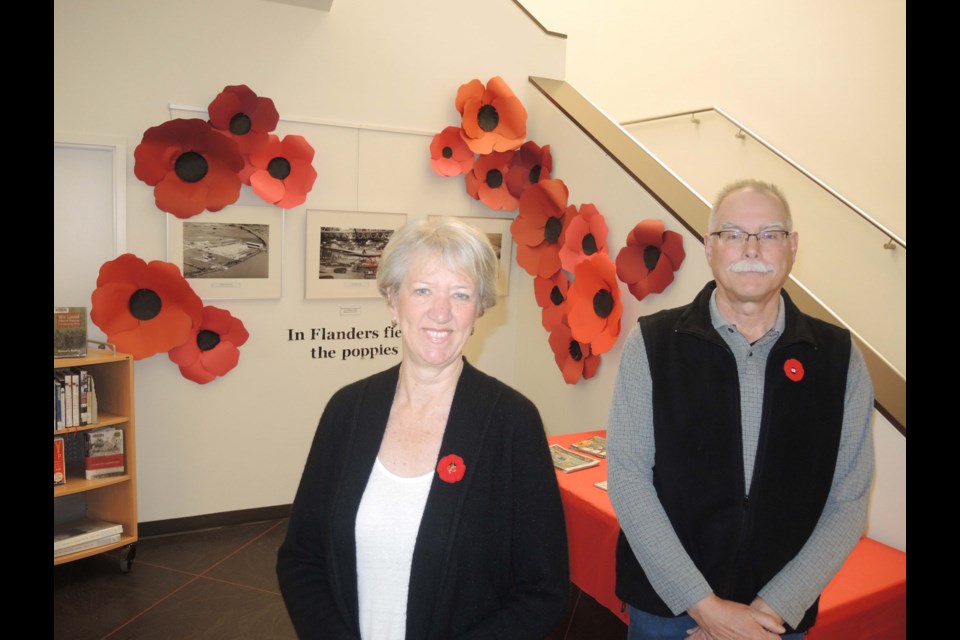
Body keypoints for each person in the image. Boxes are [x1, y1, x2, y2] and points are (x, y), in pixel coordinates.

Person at [276, 217, 569, 640]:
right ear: (393, 301)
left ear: (479, 310)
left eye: (461, 294)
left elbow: (543, 591)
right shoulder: (347, 411)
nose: (441, 312)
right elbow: (301, 557)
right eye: (423, 290)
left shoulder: (512, 423)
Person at [607, 179, 875, 640]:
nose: (751, 248)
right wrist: (708, 609)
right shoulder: (653, 343)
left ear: (791, 248)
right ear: (710, 248)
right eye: (733, 234)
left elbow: (847, 501)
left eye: (769, 234)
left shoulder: (838, 357)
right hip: (667, 611)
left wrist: (769, 612)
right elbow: (629, 478)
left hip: (775, 622)